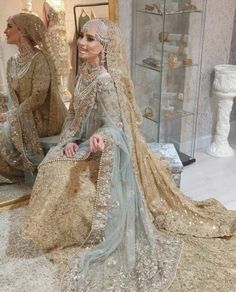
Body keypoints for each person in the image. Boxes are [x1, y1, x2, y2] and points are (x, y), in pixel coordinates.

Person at [21, 19, 236, 291]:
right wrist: (69, 140)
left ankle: (68, 232)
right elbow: (74, 115)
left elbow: (117, 126)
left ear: (105, 47)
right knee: (52, 162)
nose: (82, 43)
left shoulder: (105, 81)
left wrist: (101, 137)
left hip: (105, 148)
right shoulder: (83, 73)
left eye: (90, 39)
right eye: (82, 36)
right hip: (83, 142)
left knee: (60, 173)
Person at [0, 12, 66, 184]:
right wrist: (8, 112)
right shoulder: (12, 62)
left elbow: (38, 97)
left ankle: (19, 173)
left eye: (9, 27)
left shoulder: (40, 59)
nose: (5, 31)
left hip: (43, 118)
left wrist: (10, 116)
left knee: (4, 131)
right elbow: (14, 96)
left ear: (22, 31)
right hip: (21, 113)